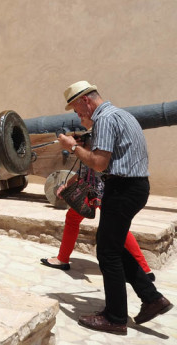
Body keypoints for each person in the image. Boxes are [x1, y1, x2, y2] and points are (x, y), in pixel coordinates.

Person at [57, 81, 172, 335]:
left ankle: (115, 317)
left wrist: (73, 147)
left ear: (86, 101)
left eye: (78, 110)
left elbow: (98, 163)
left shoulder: (105, 120)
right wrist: (85, 142)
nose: (79, 116)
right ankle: (152, 298)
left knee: (107, 253)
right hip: (134, 187)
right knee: (114, 247)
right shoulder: (121, 114)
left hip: (122, 190)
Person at [40, 116, 155, 280]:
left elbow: (91, 166)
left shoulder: (101, 133)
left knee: (115, 227)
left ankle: (143, 269)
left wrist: (75, 147)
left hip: (101, 188)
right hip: (96, 187)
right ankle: (63, 258)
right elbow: (85, 171)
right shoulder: (100, 132)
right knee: (74, 217)